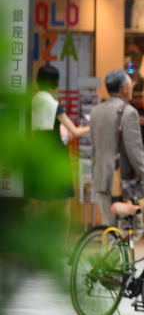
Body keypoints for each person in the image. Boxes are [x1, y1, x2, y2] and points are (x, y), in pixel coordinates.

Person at [29, 65, 89, 228]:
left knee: (40, 202)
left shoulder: (34, 100)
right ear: (54, 82)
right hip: (56, 154)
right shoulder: (53, 104)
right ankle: (61, 247)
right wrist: (92, 127)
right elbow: (75, 131)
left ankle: (36, 243)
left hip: (39, 153)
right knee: (63, 203)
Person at [90, 69, 144, 237]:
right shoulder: (129, 113)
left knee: (109, 228)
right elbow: (135, 151)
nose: (132, 89)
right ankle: (118, 262)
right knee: (131, 229)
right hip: (123, 182)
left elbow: (94, 147)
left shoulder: (96, 111)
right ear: (124, 88)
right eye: (131, 85)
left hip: (101, 178)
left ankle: (109, 261)